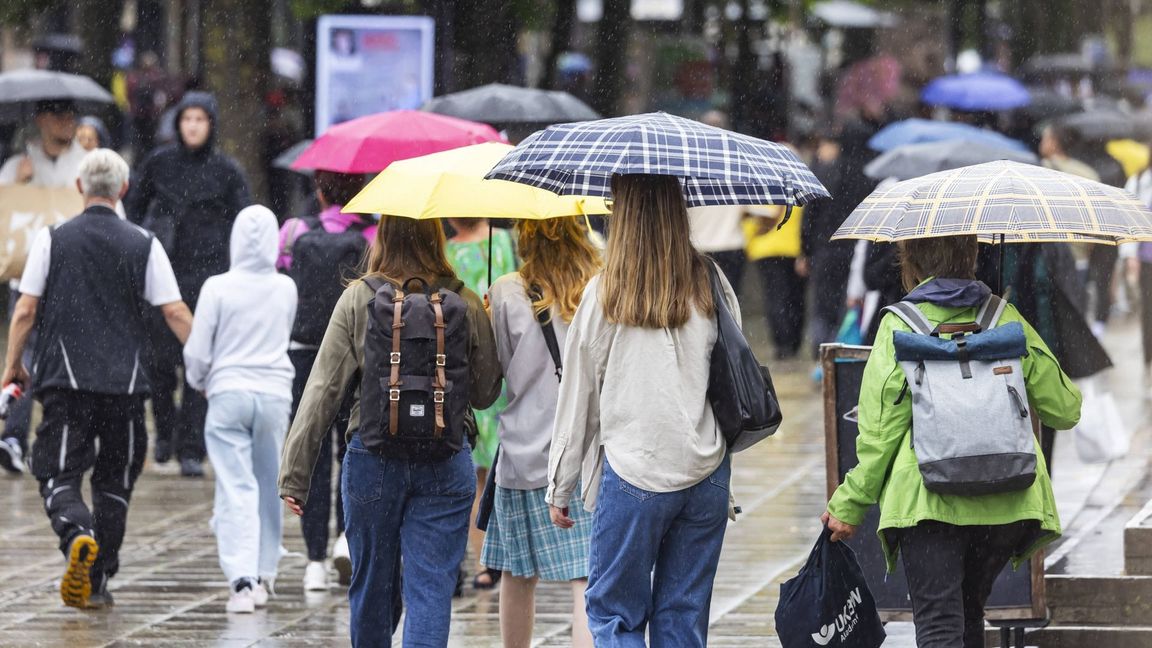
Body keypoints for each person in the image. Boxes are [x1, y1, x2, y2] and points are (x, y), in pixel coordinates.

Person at [823, 236, 1082, 648]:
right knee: (969, 613)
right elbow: (1065, 409)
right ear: (973, 255)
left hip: (930, 501)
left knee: (940, 624)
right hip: (1007, 496)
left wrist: (849, 505)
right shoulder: (1004, 316)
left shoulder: (898, 324)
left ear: (910, 259)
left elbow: (879, 433)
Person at [278, 215, 501, 647]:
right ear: (437, 236)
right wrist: (483, 324)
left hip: (372, 459)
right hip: (445, 458)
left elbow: (323, 388)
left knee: (372, 588)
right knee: (431, 590)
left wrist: (296, 473)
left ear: (383, 237)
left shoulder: (359, 298)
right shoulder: (464, 299)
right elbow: (485, 392)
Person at [547, 174, 738, 647]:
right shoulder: (711, 281)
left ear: (623, 215)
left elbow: (579, 397)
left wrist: (561, 482)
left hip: (635, 470)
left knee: (615, 617)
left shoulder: (605, 292)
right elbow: (736, 371)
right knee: (682, 619)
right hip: (706, 469)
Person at [1, 149, 193, 608]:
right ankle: (98, 575)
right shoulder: (144, 242)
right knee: (115, 481)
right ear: (123, 189)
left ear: (79, 187)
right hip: (126, 386)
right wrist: (207, 363)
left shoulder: (53, 239)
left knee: (56, 472)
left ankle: (76, 532)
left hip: (66, 382)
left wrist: (13, 366)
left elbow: (25, 309)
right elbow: (174, 310)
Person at [483, 217, 599, 648]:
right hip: (584, 451)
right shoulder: (600, 285)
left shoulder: (507, 292)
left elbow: (491, 379)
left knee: (517, 573)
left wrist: (488, 317)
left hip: (524, 451)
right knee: (586, 578)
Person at [126, 90, 251, 477]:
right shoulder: (159, 164)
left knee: (200, 362)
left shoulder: (227, 171)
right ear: (178, 123)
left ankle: (192, 447)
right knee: (159, 363)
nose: (193, 126)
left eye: (201, 119)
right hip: (162, 272)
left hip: (209, 276)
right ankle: (165, 432)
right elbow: (133, 211)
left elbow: (243, 221)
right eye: (187, 119)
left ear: (211, 124)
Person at [184, 205, 296, 614]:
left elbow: (198, 351)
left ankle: (241, 581)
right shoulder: (286, 287)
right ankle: (266, 571)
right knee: (269, 484)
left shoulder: (216, 287)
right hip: (273, 394)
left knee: (235, 487)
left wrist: (201, 380)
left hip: (228, 390)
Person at [277, 170, 374, 591]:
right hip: (354, 354)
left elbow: (283, 278)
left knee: (311, 448)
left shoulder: (295, 231)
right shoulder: (370, 234)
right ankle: (344, 540)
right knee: (350, 449)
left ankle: (313, 559)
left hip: (303, 351)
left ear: (318, 191)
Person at [0, 99, 88, 476]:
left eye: (70, 115)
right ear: (40, 120)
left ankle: (65, 438)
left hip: (75, 279)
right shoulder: (20, 164)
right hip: (28, 277)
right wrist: (13, 182)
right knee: (24, 356)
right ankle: (14, 437)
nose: (65, 123)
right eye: (57, 115)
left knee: (72, 358)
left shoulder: (88, 162)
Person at [444, 216, 515, 590]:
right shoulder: (455, 248)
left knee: (490, 473)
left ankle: (496, 555)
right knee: (486, 474)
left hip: (486, 363)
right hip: (485, 364)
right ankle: (489, 558)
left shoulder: (499, 243)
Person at [743, 205, 806, 359]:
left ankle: (782, 344)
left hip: (765, 249)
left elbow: (749, 221)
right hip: (792, 248)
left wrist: (751, 243)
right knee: (794, 297)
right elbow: (803, 222)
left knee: (775, 297)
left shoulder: (762, 191)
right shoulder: (797, 191)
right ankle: (792, 342)